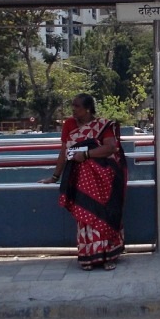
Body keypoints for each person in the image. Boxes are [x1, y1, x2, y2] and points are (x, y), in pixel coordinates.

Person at [39, 94, 127, 271]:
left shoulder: (103, 125)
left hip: (103, 179)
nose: (73, 109)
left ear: (87, 109)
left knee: (105, 214)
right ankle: (89, 257)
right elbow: (64, 152)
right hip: (79, 179)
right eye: (73, 105)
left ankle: (108, 256)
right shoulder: (69, 125)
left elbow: (110, 147)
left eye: (77, 106)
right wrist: (55, 176)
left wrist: (86, 155)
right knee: (85, 216)